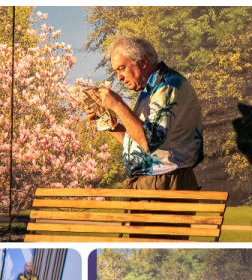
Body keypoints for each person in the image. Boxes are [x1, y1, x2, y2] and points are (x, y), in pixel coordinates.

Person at [85, 35, 203, 190]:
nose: (119, 77)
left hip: (165, 182)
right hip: (151, 182)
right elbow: (137, 141)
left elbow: (148, 141)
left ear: (144, 62)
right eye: (116, 71)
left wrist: (118, 105)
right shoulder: (150, 89)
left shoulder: (166, 87)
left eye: (122, 68)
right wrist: (104, 121)